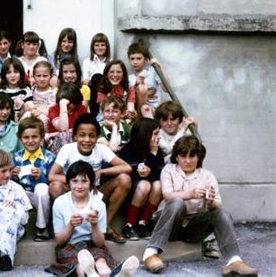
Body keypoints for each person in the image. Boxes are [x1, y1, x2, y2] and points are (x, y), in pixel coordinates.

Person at [143, 135, 258, 276]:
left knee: (222, 213)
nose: (187, 160)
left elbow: (218, 204)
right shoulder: (169, 170)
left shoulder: (207, 175)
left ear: (199, 157)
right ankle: (150, 253)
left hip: (194, 228)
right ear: (176, 157)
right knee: (177, 202)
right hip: (170, 224)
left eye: (192, 156)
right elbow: (168, 195)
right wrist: (190, 194)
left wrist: (210, 203)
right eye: (183, 156)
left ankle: (234, 261)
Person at [48, 113, 132, 244]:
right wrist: (77, 181)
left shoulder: (101, 149)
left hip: (95, 194)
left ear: (97, 137)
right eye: (82, 135)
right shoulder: (67, 149)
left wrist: (101, 172)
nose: (87, 140)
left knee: (124, 179)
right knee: (55, 186)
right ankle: (65, 227)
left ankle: (106, 226)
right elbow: (52, 175)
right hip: (73, 194)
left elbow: (127, 167)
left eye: (92, 136)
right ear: (75, 136)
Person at [47, 160, 139, 277]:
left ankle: (107, 274)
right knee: (80, 265)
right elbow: (60, 241)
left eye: (84, 181)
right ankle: (95, 274)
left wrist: (94, 225)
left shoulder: (98, 204)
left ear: (91, 183)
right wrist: (70, 225)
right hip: (69, 246)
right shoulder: (60, 203)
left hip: (92, 245)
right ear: (68, 183)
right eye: (74, 181)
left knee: (101, 263)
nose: (79, 186)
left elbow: (100, 243)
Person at [119, 118, 165, 240]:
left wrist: (151, 169)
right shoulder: (128, 150)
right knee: (145, 184)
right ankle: (129, 224)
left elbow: (161, 173)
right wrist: (152, 155)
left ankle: (143, 222)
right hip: (129, 196)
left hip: (147, 196)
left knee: (158, 185)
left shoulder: (157, 150)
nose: (159, 137)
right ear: (145, 134)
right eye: (155, 134)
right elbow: (139, 174)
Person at [11, 117, 56, 241]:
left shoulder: (49, 157)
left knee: (41, 188)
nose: (30, 141)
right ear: (20, 138)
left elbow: (53, 183)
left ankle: (42, 228)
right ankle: (18, 226)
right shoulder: (15, 158)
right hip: (23, 196)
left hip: (41, 199)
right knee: (12, 190)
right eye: (26, 137)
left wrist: (41, 177)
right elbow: (9, 183)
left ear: (41, 137)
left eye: (34, 137)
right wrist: (13, 176)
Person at [127, 42, 166, 115]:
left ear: (145, 59)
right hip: (139, 111)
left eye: (139, 58)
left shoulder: (153, 71)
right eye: (132, 59)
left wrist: (160, 66)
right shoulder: (129, 78)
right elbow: (130, 101)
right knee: (145, 107)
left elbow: (166, 89)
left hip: (156, 110)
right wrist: (135, 85)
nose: (135, 62)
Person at [21, 60, 56, 132]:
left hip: (46, 120)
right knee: (26, 115)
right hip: (31, 118)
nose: (42, 79)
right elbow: (25, 109)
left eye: (45, 76)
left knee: (41, 118)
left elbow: (51, 112)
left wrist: (39, 112)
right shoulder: (30, 91)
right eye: (38, 76)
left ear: (51, 76)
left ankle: (42, 140)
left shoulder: (53, 93)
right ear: (33, 76)